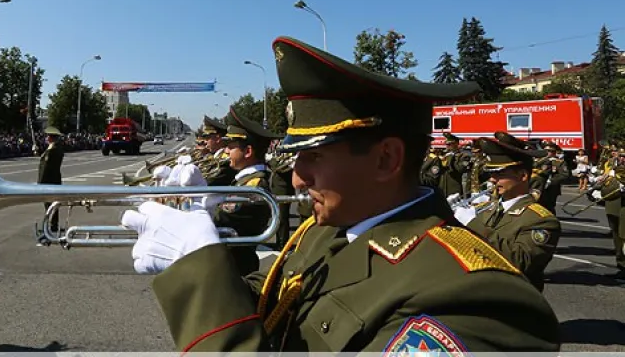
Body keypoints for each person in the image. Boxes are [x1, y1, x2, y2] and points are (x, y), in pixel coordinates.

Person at [121, 36, 561, 353]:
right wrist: (206, 265)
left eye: (312, 156)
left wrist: (201, 286)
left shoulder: (475, 297)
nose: (296, 179)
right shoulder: (323, 232)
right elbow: (274, 304)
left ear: (386, 159)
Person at [461, 131, 561, 291]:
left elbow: (521, 261)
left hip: (513, 300)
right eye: (492, 173)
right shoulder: (488, 209)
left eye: (500, 173)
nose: (493, 179)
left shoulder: (541, 220)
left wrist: (472, 223)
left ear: (522, 175)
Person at [213, 106, 280, 275]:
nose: (226, 151)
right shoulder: (245, 180)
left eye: (231, 146)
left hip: (237, 268)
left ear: (248, 151)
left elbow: (221, 218)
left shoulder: (255, 185)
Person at [39, 126, 65, 235]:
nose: (46, 138)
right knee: (53, 204)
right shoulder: (56, 149)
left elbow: (45, 167)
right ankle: (53, 225)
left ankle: (49, 226)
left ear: (51, 138)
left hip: (48, 181)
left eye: (47, 136)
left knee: (49, 205)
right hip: (55, 180)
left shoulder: (52, 151)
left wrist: (40, 183)